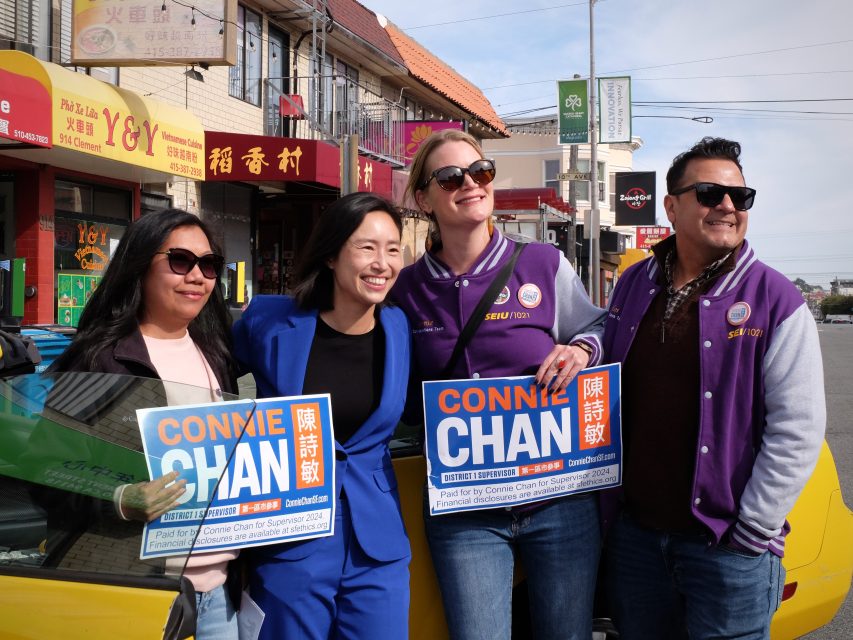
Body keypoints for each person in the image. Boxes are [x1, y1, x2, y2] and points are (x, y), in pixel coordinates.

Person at [601, 137, 826, 639]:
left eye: (739, 197)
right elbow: (600, 342)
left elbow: (799, 427)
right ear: (672, 207)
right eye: (709, 193)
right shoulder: (634, 283)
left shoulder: (775, 298)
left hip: (726, 549)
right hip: (637, 540)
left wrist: (752, 529)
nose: (727, 206)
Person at [391, 128, 607, 640]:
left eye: (480, 171)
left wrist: (580, 349)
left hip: (558, 500)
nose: (471, 183)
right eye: (450, 177)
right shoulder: (405, 290)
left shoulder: (542, 264)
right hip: (465, 515)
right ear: (424, 198)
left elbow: (600, 326)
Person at [50, 208, 240, 640]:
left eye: (209, 265)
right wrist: (118, 498)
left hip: (219, 594)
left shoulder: (217, 353)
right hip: (140, 592)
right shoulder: (100, 361)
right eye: (180, 261)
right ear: (139, 267)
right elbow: (46, 470)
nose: (197, 276)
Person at [232, 192, 411, 640]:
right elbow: (206, 374)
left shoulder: (399, 327)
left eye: (392, 249)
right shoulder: (269, 320)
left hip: (378, 540)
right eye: (366, 247)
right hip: (291, 534)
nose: (381, 263)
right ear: (331, 254)